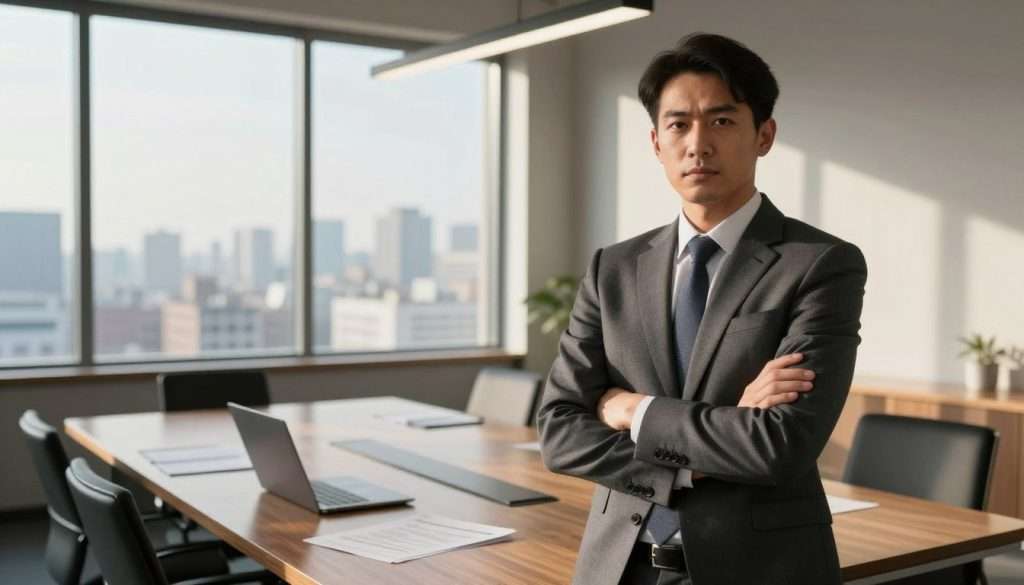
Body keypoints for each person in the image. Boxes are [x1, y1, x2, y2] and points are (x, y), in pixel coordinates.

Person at [537, 33, 867, 585]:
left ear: (764, 135)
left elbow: (778, 445)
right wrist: (706, 449)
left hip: (761, 570)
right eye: (678, 125)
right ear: (655, 142)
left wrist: (631, 410)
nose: (697, 144)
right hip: (619, 567)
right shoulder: (612, 268)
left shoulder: (821, 264)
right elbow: (558, 430)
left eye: (721, 121)